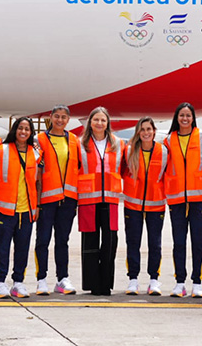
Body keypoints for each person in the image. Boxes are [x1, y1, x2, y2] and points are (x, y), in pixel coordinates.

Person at [163, 102, 202, 298]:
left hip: (199, 198)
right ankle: (179, 282)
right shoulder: (168, 140)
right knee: (178, 242)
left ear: (193, 118)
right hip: (176, 199)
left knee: (198, 241)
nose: (185, 119)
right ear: (177, 118)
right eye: (181, 115)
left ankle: (197, 282)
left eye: (188, 115)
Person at [0, 117, 41, 298]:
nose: (23, 132)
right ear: (15, 130)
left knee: (22, 247)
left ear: (31, 132)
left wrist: (37, 207)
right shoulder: (3, 150)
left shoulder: (35, 153)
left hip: (26, 209)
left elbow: (38, 182)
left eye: (27, 129)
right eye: (20, 128)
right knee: (2, 247)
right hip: (5, 208)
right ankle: (0, 282)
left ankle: (18, 282)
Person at [78, 106, 125, 296]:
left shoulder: (118, 143)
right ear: (90, 122)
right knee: (89, 244)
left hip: (111, 200)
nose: (99, 123)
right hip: (89, 199)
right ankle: (91, 283)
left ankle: (105, 283)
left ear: (108, 123)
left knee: (110, 242)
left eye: (102, 120)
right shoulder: (80, 143)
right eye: (95, 119)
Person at [34, 105, 80, 295]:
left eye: (64, 117)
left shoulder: (74, 140)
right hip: (46, 199)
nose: (60, 120)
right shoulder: (40, 139)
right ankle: (41, 279)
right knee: (42, 240)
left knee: (62, 241)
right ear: (51, 118)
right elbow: (36, 170)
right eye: (57, 116)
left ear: (68, 120)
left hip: (68, 200)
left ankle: (62, 278)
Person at [122, 117, 168, 296]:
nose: (146, 133)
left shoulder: (163, 152)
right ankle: (133, 279)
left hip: (156, 205)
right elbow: (123, 171)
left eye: (149, 129)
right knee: (133, 242)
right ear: (138, 133)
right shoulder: (129, 151)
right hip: (133, 204)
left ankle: (154, 280)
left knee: (154, 244)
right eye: (142, 130)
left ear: (154, 131)